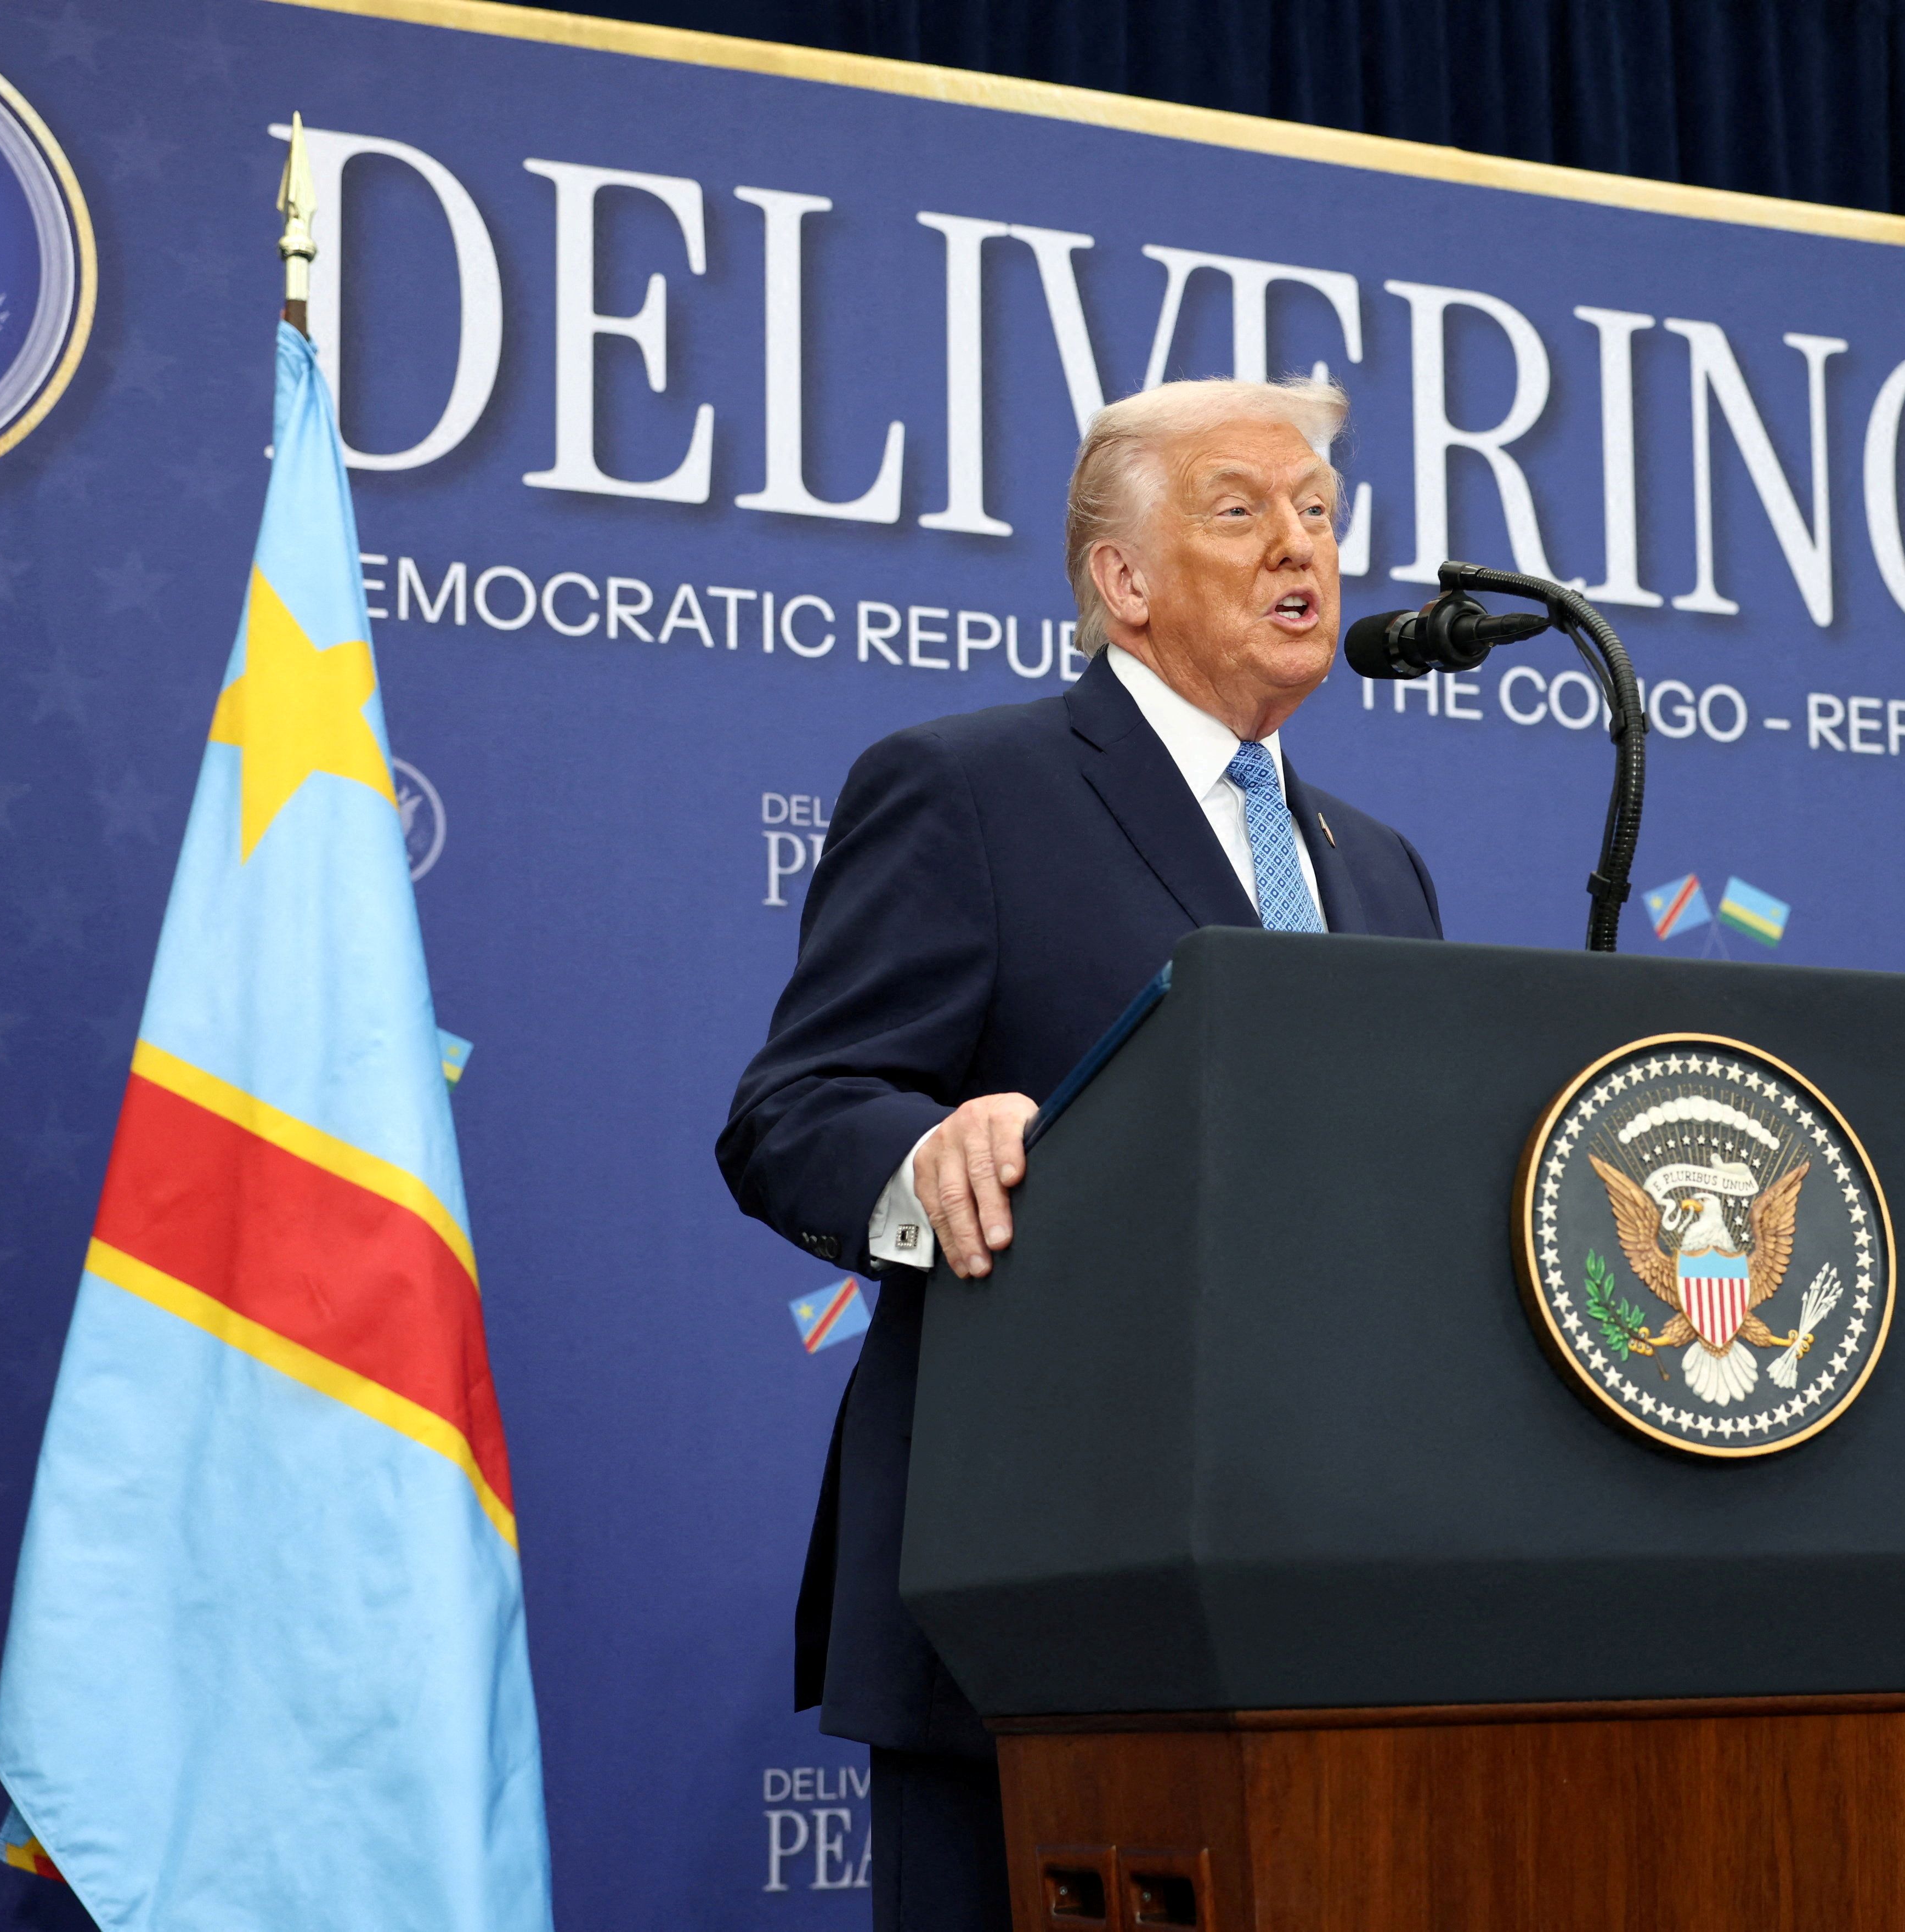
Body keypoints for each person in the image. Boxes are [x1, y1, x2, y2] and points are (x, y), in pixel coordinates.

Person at [715, 376, 1443, 1932]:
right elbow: (796, 1107)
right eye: (1238, 510)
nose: (1296, 546)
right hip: (1036, 1587)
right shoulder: (968, 787)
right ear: (1118, 580)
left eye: (1317, 511)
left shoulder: (1377, 866)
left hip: (1338, 1590)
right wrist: (927, 1153)